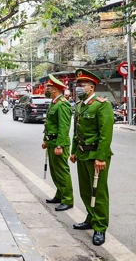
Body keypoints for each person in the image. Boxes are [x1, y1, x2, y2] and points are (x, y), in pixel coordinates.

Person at [70, 69, 114, 246]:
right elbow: (77, 132)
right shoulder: (80, 105)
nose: (78, 88)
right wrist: (73, 151)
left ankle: (100, 227)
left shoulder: (102, 105)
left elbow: (106, 133)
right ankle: (90, 217)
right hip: (82, 154)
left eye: (81, 85)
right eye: (77, 85)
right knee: (86, 190)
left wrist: (101, 157)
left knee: (99, 192)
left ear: (91, 87)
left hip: (96, 155)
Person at [41, 74, 74, 212]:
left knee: (61, 172)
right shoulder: (54, 102)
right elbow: (49, 124)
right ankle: (60, 194)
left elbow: (63, 127)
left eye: (48, 87)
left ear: (54, 89)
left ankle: (68, 199)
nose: (46, 90)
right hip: (51, 142)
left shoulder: (62, 104)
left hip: (59, 143)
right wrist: (45, 140)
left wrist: (60, 145)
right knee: (55, 172)